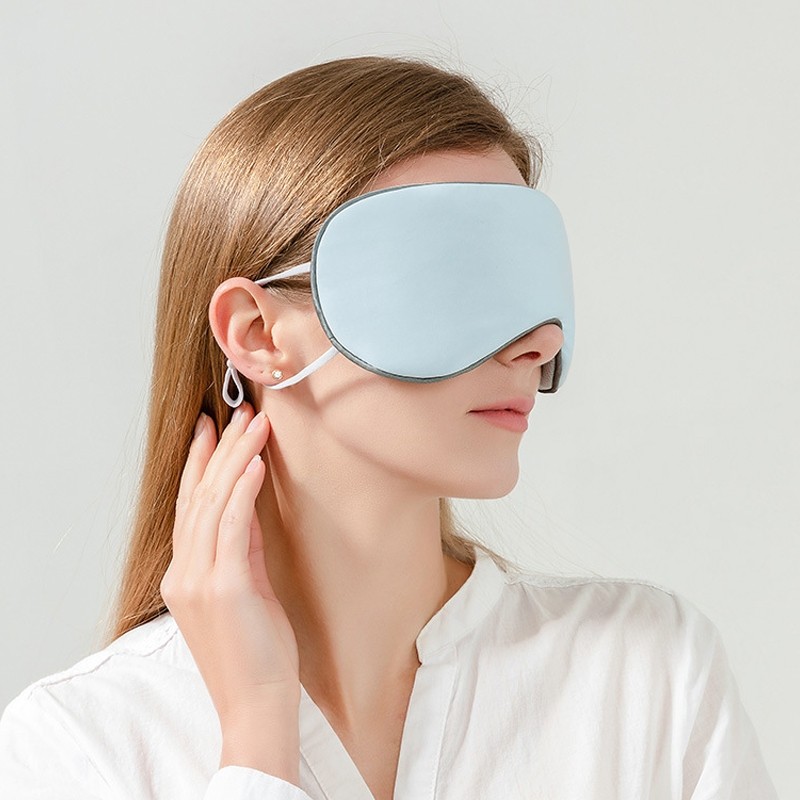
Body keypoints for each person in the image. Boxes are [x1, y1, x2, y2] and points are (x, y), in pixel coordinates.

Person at [0, 55, 778, 800]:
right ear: (258, 334)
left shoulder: (647, 679)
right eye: (454, 276)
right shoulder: (81, 746)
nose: (539, 342)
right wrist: (257, 736)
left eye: (531, 282)